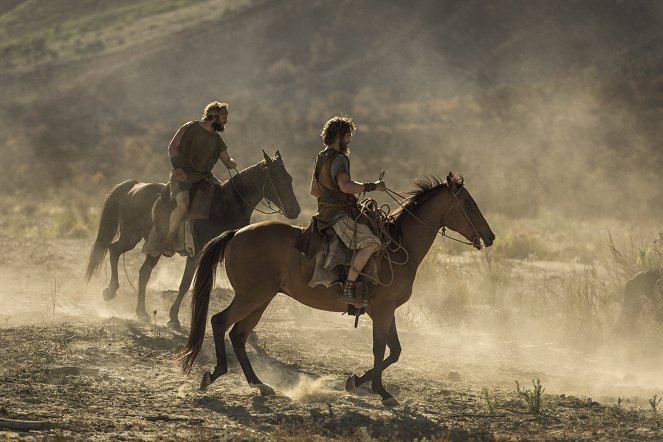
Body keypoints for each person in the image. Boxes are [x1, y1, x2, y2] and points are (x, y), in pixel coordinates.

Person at [309, 115, 386, 305]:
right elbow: (345, 186)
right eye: (348, 136)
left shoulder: (320, 157)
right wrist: (373, 186)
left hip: (324, 213)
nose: (350, 140)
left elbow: (314, 191)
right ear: (340, 136)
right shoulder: (339, 158)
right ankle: (349, 287)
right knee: (371, 243)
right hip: (338, 216)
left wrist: (331, 200)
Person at [164, 101, 237, 257]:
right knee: (183, 206)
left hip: (204, 178)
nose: (226, 121)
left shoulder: (218, 140)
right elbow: (172, 147)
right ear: (213, 117)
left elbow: (226, 159)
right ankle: (169, 241)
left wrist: (231, 163)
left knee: (223, 197)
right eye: (224, 117)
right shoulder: (190, 127)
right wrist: (177, 167)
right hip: (182, 176)